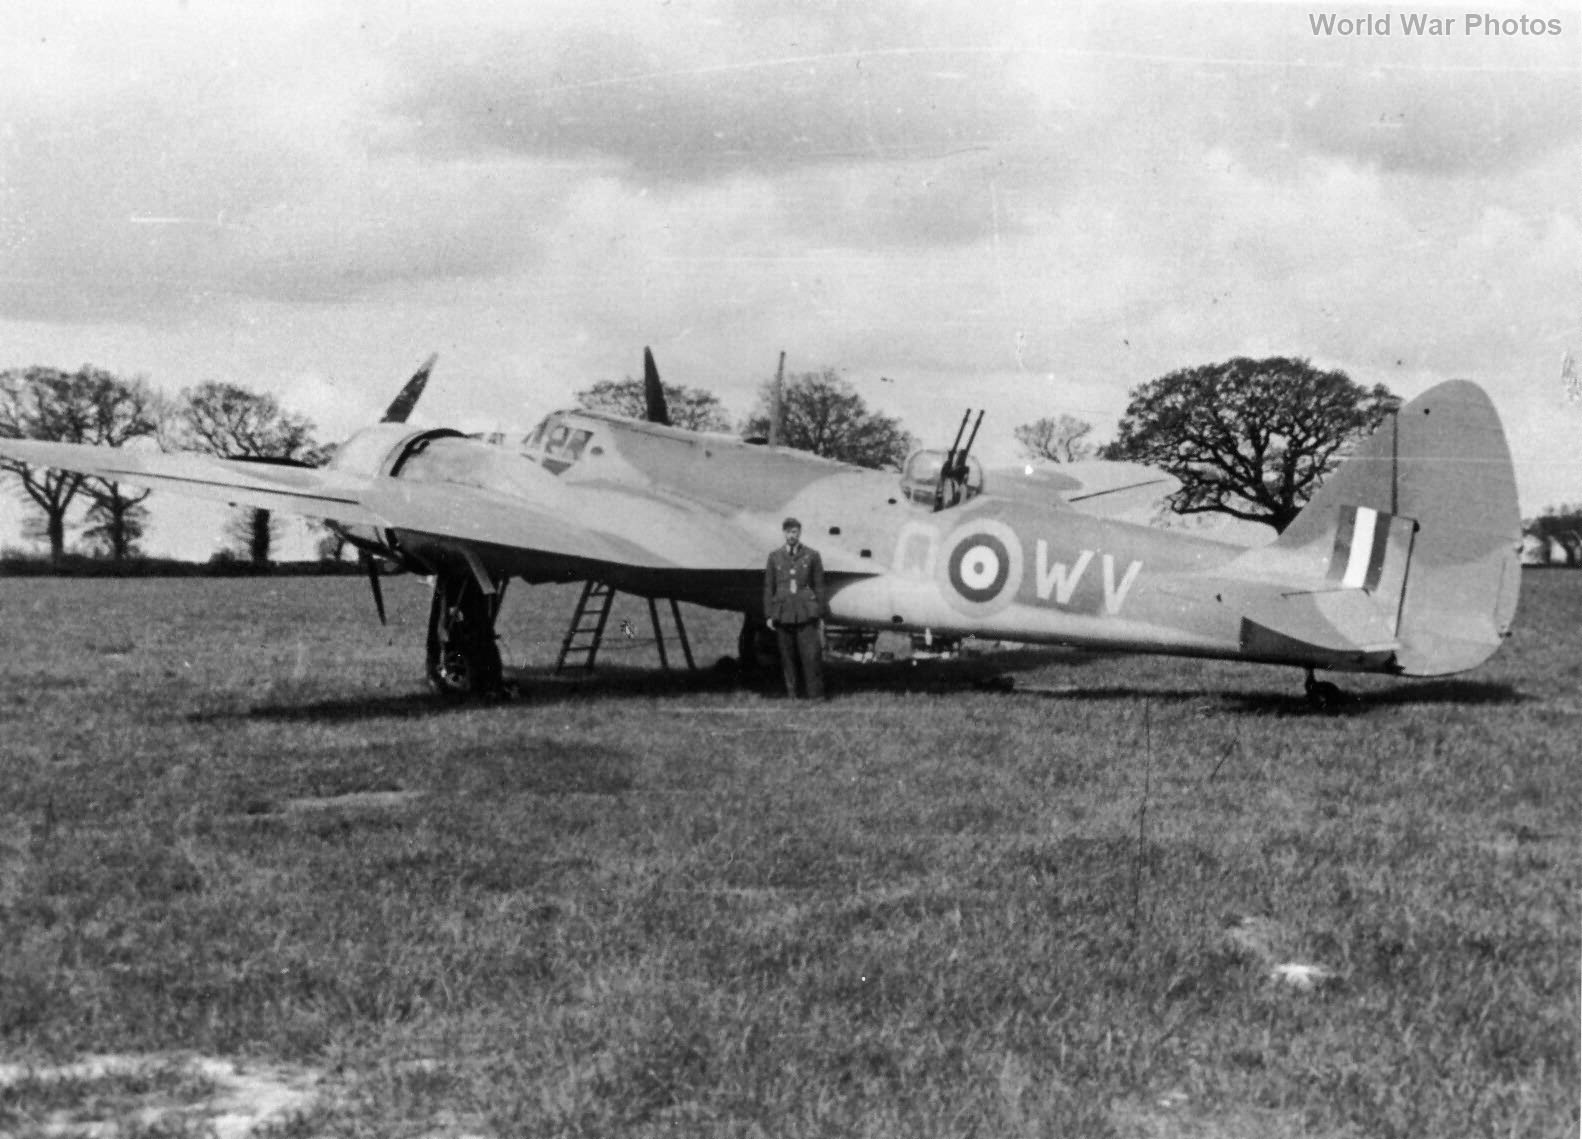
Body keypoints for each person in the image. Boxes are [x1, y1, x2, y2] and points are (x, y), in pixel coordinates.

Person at [763, 517, 826, 699]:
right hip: (783, 613)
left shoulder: (812, 555)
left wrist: (820, 613)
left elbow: (819, 585)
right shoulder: (774, 557)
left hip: (806, 612)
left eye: (795, 532)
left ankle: (815, 695)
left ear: (800, 533)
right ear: (784, 533)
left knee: (811, 656)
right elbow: (769, 586)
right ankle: (793, 695)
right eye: (789, 532)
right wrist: (769, 614)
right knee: (787, 657)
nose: (792, 535)